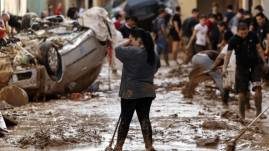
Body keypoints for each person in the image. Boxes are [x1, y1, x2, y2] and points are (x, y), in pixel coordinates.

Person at [114, 28, 159, 151]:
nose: (130, 41)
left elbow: (117, 50)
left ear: (138, 40)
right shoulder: (153, 54)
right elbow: (156, 68)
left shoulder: (133, 52)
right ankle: (149, 146)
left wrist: (127, 42)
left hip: (130, 92)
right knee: (144, 119)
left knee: (125, 120)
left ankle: (118, 147)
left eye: (131, 39)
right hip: (147, 91)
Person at [223, 22, 269, 119]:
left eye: (245, 33)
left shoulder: (253, 35)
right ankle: (241, 114)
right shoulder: (233, 40)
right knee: (242, 92)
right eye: (241, 33)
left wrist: (264, 62)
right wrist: (224, 67)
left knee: (258, 88)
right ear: (238, 31)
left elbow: (259, 48)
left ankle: (259, 113)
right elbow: (228, 54)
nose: (244, 35)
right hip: (241, 67)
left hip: (254, 65)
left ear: (248, 30)